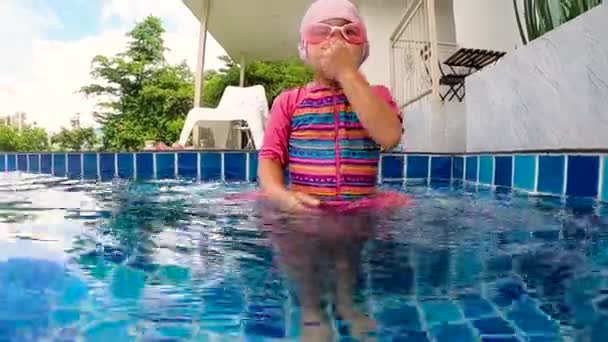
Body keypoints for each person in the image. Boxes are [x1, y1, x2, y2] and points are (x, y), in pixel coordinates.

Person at [256, 0, 410, 340]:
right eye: (321, 32)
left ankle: (345, 303)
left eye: (349, 33)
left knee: (347, 259)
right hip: (306, 209)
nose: (335, 40)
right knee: (304, 257)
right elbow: (269, 159)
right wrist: (280, 195)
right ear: (304, 48)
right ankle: (312, 309)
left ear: (363, 47)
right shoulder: (290, 101)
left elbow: (389, 136)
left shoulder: (377, 96)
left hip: (358, 208)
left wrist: (347, 74)